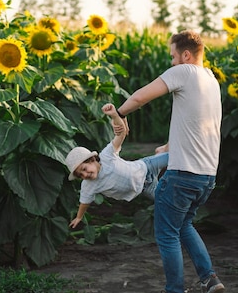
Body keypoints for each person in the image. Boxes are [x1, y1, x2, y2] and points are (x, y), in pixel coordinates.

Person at [115, 30, 225, 293]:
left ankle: (174, 290)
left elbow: (141, 97)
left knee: (167, 234)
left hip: (182, 176)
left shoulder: (184, 72)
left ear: (186, 55)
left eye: (173, 56)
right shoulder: (211, 79)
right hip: (206, 177)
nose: (172, 62)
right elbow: (197, 123)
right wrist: (169, 145)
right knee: (184, 225)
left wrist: (119, 114)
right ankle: (210, 279)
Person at [65, 103, 168, 229]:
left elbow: (121, 134)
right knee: (167, 201)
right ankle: (161, 152)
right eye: (81, 175)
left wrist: (114, 116)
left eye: (84, 169)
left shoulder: (106, 156)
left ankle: (167, 148)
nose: (85, 175)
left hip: (147, 166)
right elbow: (84, 202)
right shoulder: (89, 185)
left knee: (175, 158)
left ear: (92, 159)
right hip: (145, 187)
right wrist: (79, 217)